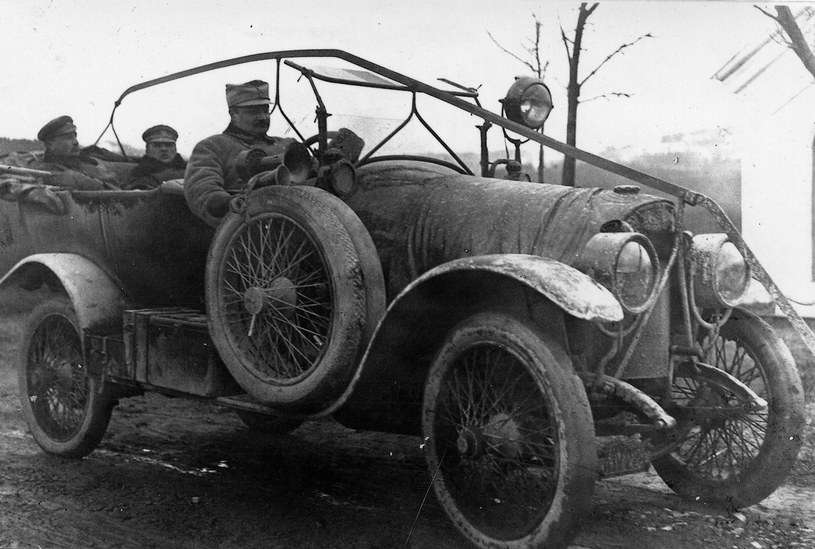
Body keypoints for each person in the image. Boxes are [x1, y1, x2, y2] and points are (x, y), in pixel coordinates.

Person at [184, 80, 296, 226]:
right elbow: (202, 189)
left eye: (265, 110)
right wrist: (228, 202)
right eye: (253, 111)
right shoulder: (212, 146)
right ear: (233, 114)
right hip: (249, 233)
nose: (263, 117)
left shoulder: (287, 144)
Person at [32, 115, 120, 190]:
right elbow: (89, 183)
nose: (76, 142)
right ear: (50, 144)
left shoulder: (81, 160)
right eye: (68, 137)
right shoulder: (48, 169)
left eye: (75, 136)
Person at [123, 124, 187, 190]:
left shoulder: (189, 170)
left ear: (175, 149)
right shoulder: (139, 173)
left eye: (169, 145)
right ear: (147, 149)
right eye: (157, 145)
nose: (164, 149)